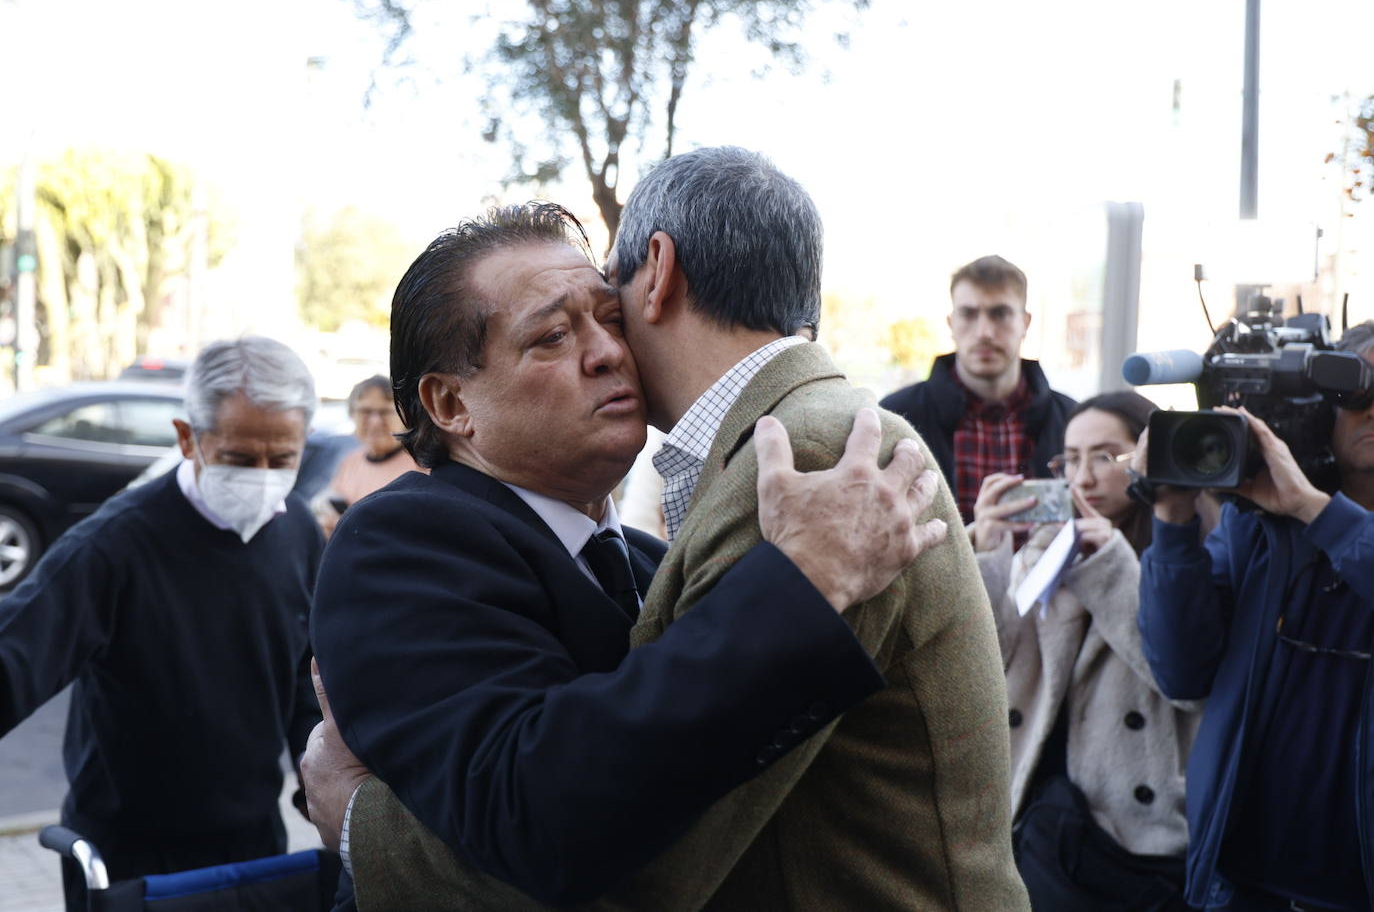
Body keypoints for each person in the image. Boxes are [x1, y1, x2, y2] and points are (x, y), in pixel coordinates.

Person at [308, 148, 1028, 910]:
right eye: (552, 337)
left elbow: (652, 852)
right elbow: (562, 825)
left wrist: (362, 826)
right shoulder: (404, 542)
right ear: (450, 406)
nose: (610, 352)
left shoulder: (786, 474)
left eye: (610, 318)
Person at [0, 336, 325, 912]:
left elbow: (307, 670)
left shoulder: (297, 531)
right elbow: (17, 657)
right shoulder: (113, 545)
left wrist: (317, 775)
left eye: (283, 459)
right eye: (240, 458)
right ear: (187, 438)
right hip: (127, 856)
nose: (264, 476)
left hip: (253, 843)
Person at [1137, 320, 1374, 912]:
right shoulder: (1261, 526)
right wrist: (1172, 519)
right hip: (1240, 882)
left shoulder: (1305, 511)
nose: (1373, 414)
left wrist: (1319, 512)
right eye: (1360, 397)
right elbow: (1183, 673)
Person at [972, 391, 1200, 910]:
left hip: (1132, 831)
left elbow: (1181, 679)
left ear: (1148, 455)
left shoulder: (1186, 548)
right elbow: (987, 663)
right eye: (1071, 459)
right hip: (1034, 807)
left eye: (1103, 456)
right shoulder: (1048, 544)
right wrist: (988, 552)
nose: (1084, 477)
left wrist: (1112, 565)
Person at [881, 254, 1076, 524]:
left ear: (1025, 323)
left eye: (1000, 314)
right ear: (952, 324)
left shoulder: (1071, 419)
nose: (984, 331)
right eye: (969, 314)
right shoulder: (898, 416)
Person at [314, 374, 422, 537]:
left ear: (404, 417)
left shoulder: (420, 466)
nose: (374, 422)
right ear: (352, 415)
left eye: (385, 412)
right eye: (365, 411)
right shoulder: (351, 462)